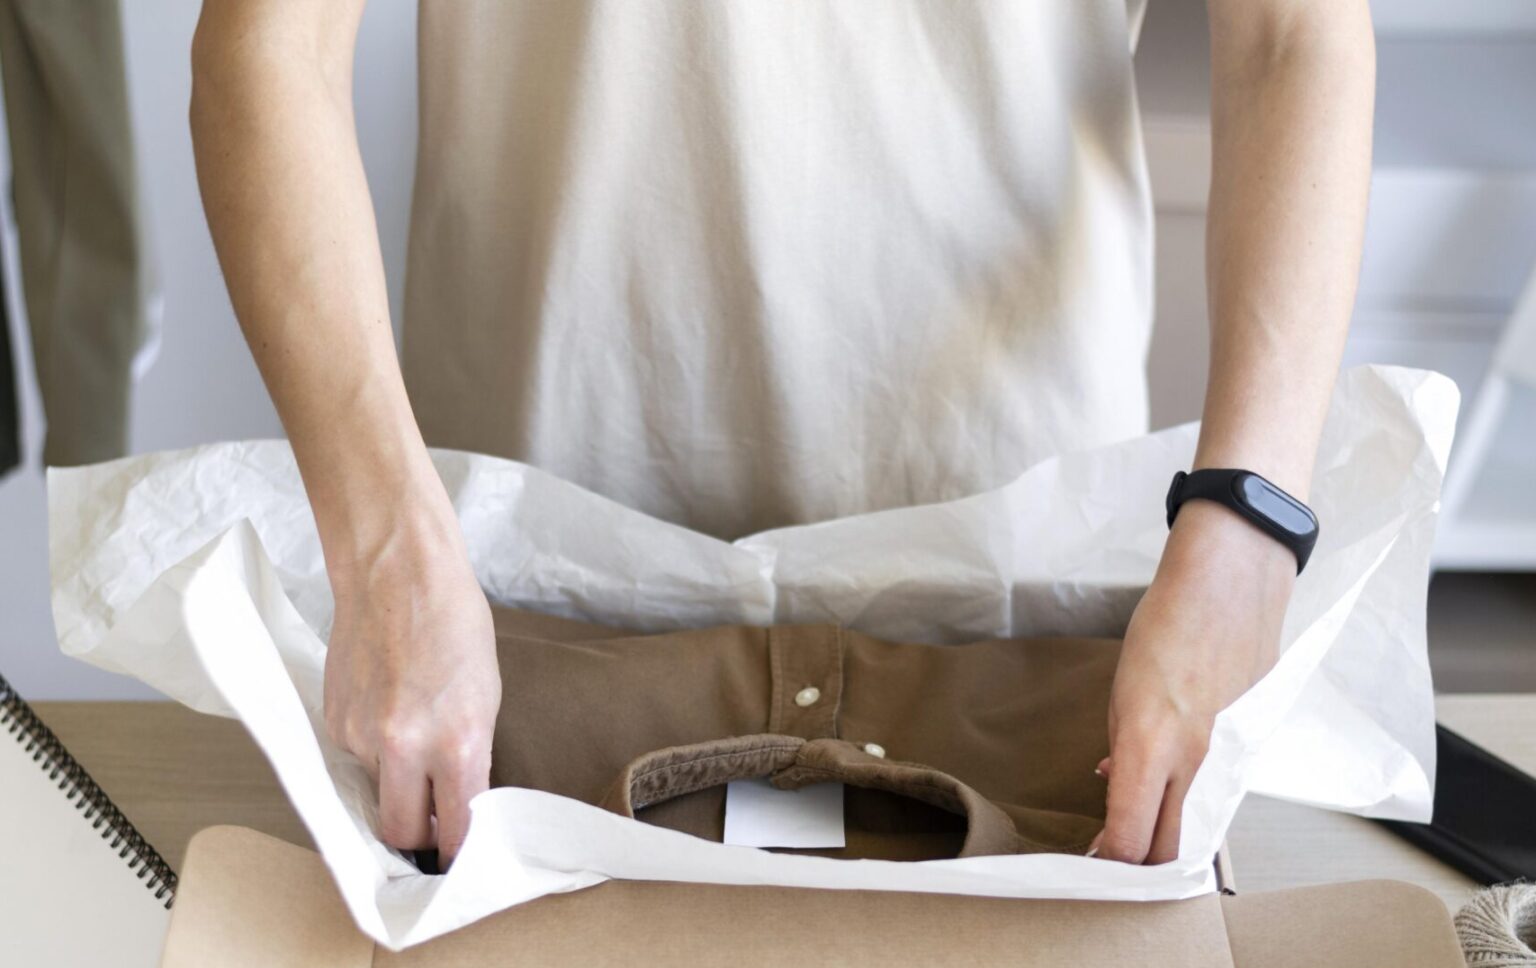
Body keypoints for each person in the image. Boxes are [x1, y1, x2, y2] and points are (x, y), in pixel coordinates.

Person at [189, 0, 1375, 867]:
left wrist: (1248, 527)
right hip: (526, 594)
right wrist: (386, 553)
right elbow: (268, 44)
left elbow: (1294, 37)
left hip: (1020, 591)